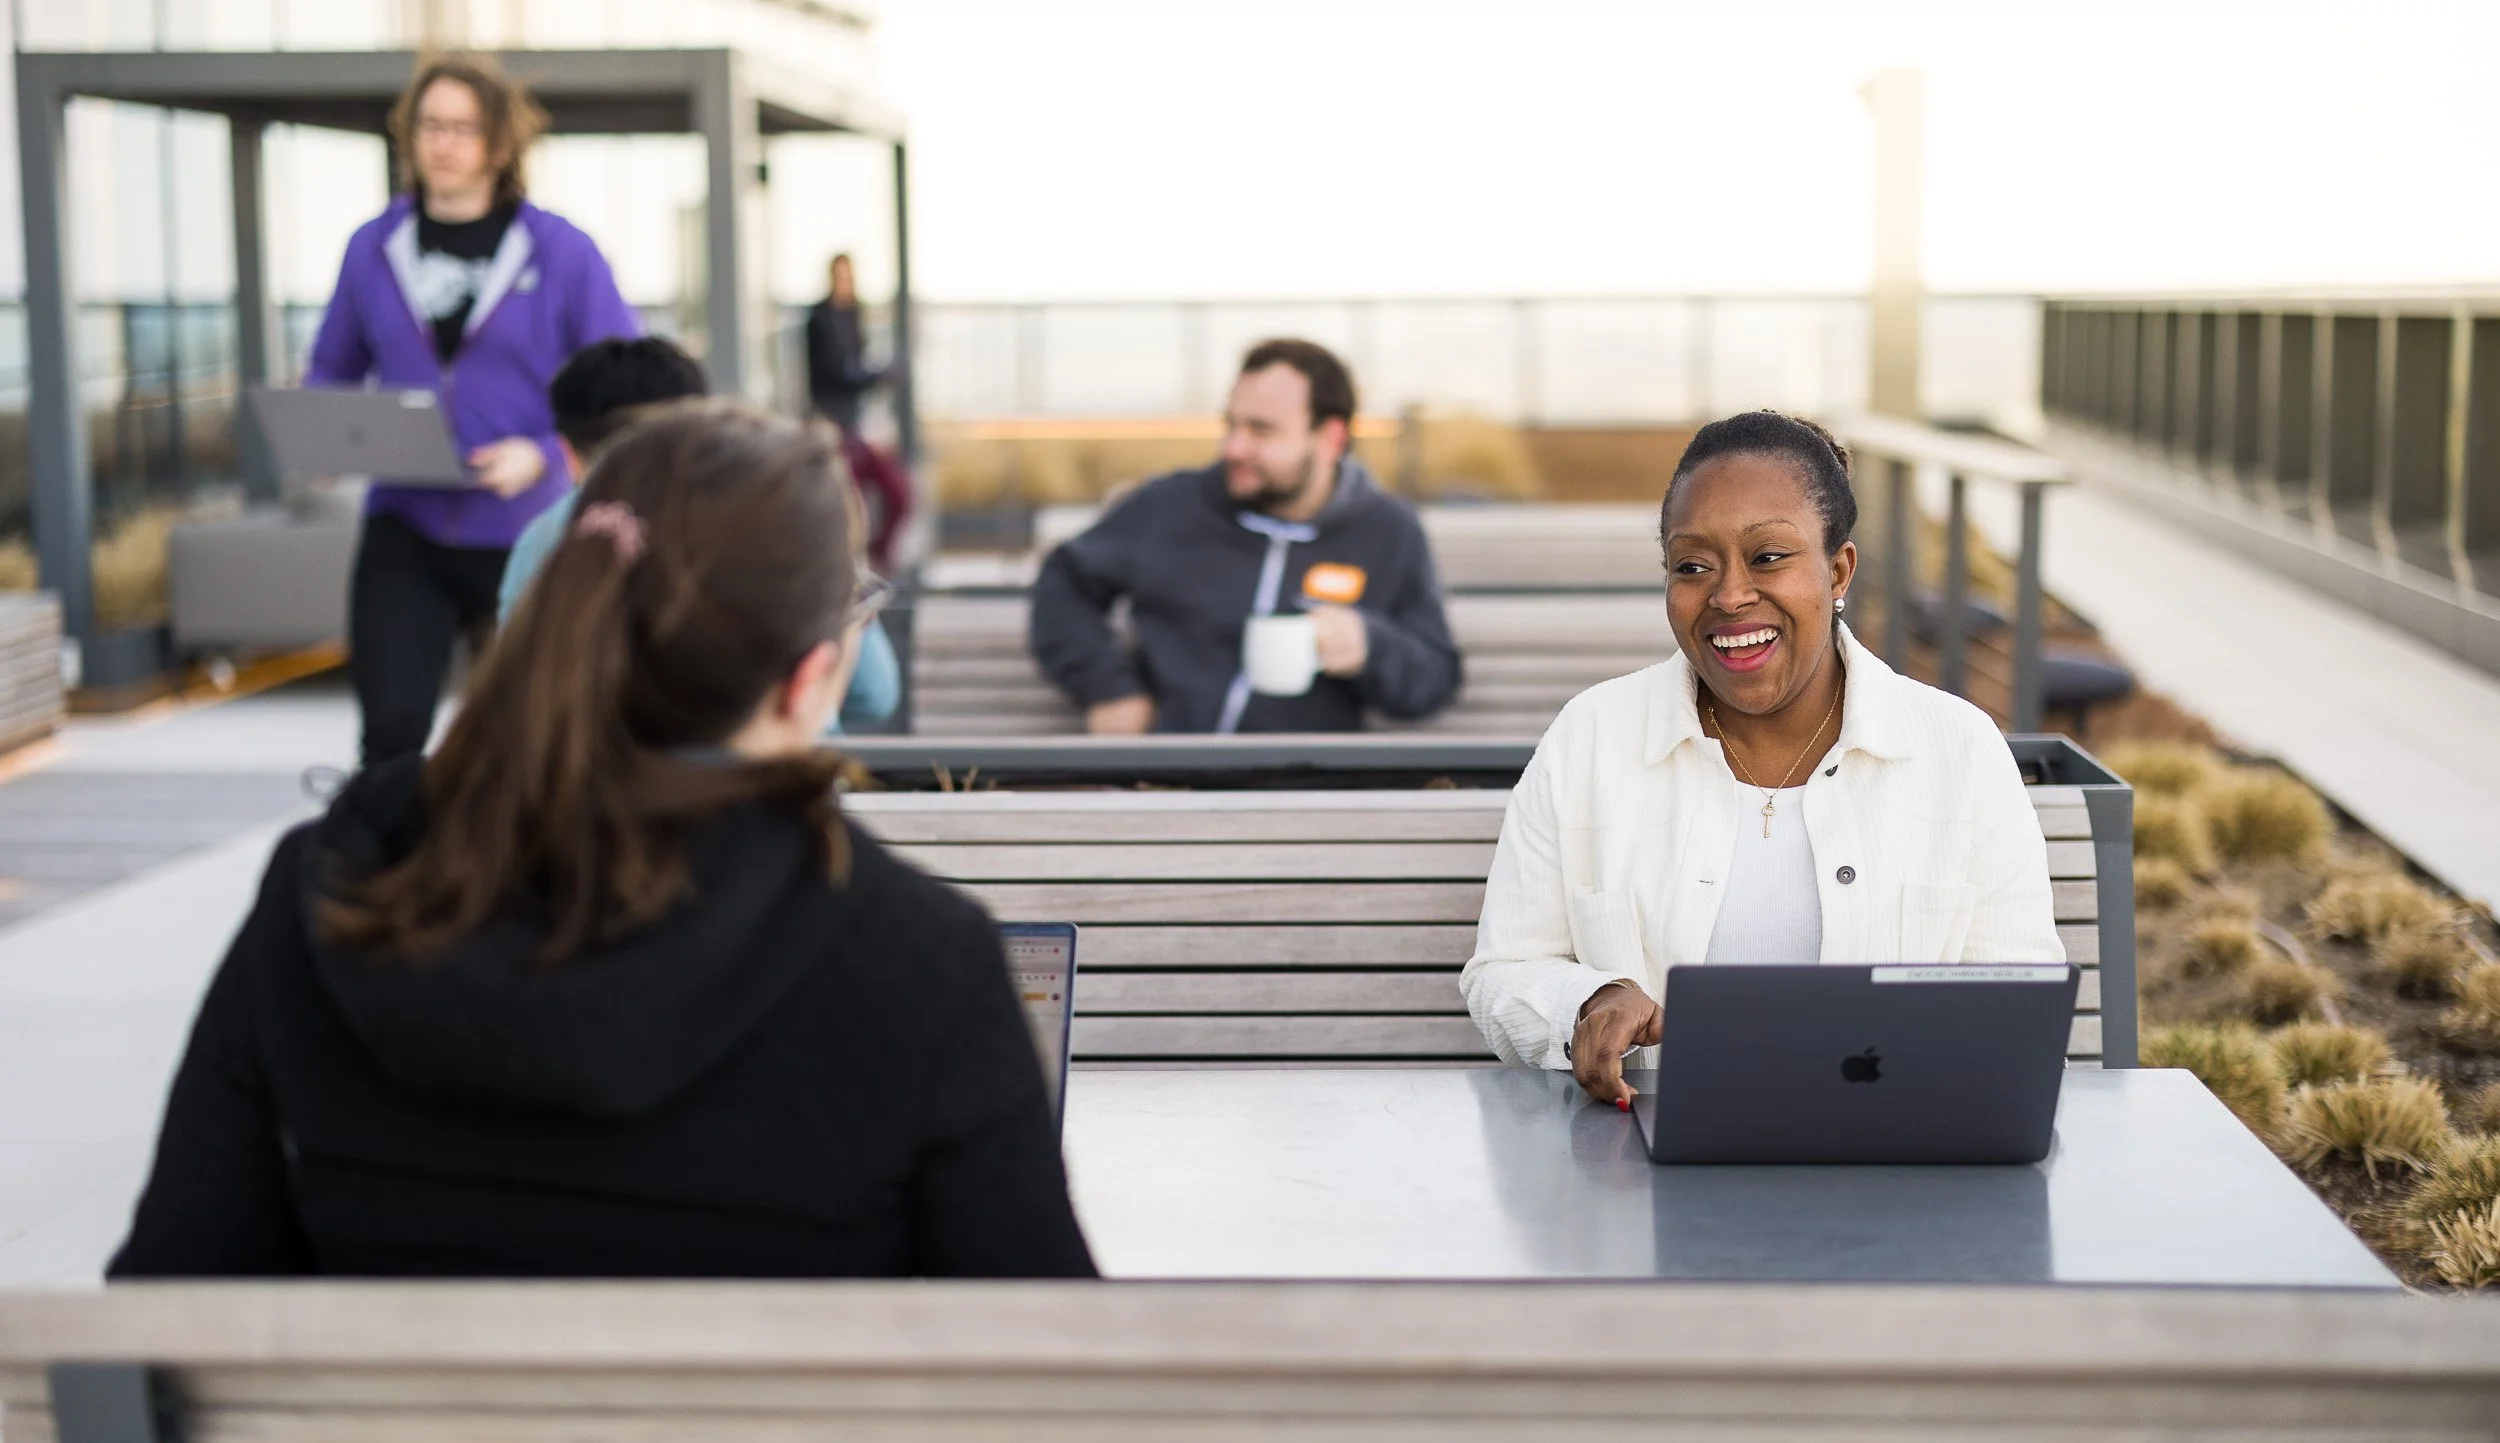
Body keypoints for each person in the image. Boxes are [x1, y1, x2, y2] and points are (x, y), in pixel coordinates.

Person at [109, 407, 1096, 1278]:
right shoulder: (918, 959)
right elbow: (1047, 1375)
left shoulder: (334, 883)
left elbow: (173, 1297)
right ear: (809, 681)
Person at [1459, 410, 2066, 1111]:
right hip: (1642, 1179)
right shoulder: (1590, 738)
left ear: (1839, 570)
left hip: (1891, 1173)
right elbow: (1501, 970)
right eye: (1692, 566)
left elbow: (2016, 1001)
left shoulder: (1958, 751)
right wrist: (1582, 1003)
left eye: (1769, 557)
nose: (1729, 595)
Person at [305, 53, 641, 766]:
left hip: (528, 534)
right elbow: (332, 368)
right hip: (405, 525)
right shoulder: (372, 248)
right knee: (390, 738)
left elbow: (627, 382)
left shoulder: (563, 252)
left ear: (498, 144)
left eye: (462, 127)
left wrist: (547, 453)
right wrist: (326, 439)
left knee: (528, 744)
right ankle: (393, 878)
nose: (443, 142)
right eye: (429, 124)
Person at [1027, 338, 1462, 734]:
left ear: (1330, 438)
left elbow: (1436, 677)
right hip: (1164, 784)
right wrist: (1110, 688)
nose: (1233, 448)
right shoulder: (1169, 505)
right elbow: (1063, 583)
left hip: (1309, 794)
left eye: (1261, 430)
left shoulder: (1389, 531)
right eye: (1231, 425)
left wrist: (1372, 646)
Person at [494, 338, 900, 731]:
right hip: (779, 779)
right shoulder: (773, 514)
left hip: (590, 791)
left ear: (568, 452)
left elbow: (519, 699)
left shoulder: (542, 542)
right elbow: (874, 694)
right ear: (702, 424)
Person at [803, 252, 915, 572]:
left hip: (858, 424)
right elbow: (829, 376)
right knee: (848, 505)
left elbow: (856, 367)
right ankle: (850, 567)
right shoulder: (819, 319)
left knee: (897, 491)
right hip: (834, 426)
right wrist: (872, 376)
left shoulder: (854, 313)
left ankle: (877, 557)